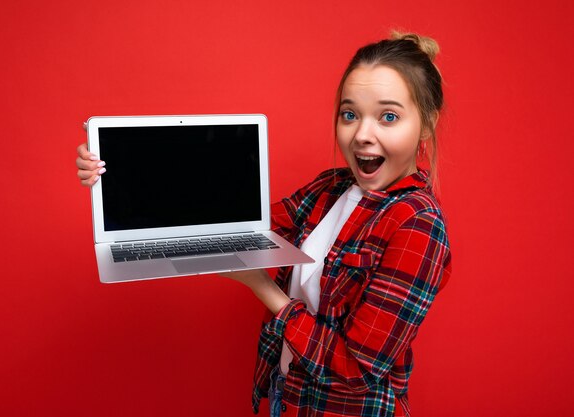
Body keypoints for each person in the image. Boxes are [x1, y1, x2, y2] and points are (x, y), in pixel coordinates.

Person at [75, 31, 452, 417]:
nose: (361, 135)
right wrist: (113, 175)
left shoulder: (418, 225)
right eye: (349, 114)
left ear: (426, 124)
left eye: (388, 117)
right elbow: (235, 223)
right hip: (289, 397)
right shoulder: (331, 187)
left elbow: (355, 370)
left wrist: (262, 288)